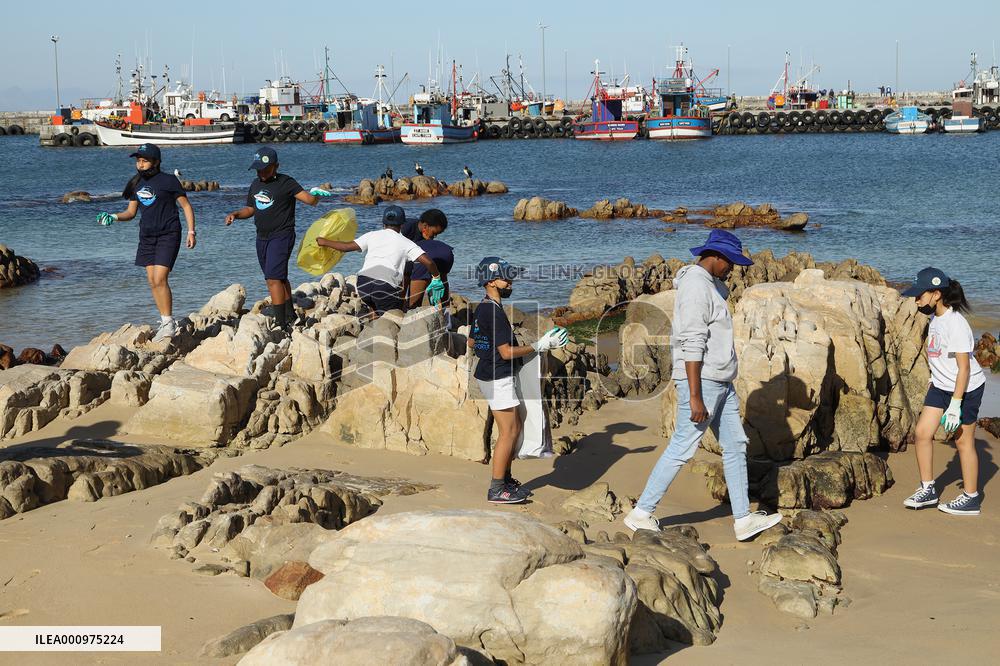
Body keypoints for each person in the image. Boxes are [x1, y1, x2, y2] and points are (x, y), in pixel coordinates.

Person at [624, 230, 783, 541]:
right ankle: (641, 512)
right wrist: (695, 396)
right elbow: (692, 342)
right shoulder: (696, 285)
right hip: (704, 382)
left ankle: (743, 520)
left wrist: (717, 285)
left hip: (720, 381)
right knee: (682, 447)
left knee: (736, 445)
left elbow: (712, 317)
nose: (733, 269)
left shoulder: (707, 285)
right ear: (717, 257)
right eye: (731, 263)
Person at [471, 256, 568, 504]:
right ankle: (497, 488)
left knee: (514, 427)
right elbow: (505, 352)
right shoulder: (494, 312)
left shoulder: (484, 307)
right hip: (497, 376)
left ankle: (506, 480)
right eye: (506, 277)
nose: (511, 281)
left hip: (491, 373)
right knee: (509, 431)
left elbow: (473, 341)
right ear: (491, 281)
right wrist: (539, 345)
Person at [902, 268, 986, 516]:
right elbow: (939, 357)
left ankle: (971, 498)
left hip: (965, 388)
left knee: (963, 441)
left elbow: (964, 369)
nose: (916, 300)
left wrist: (955, 404)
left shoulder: (956, 323)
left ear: (936, 294)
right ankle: (928, 489)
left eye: (920, 295)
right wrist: (933, 379)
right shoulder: (935, 320)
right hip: (940, 385)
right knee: (922, 433)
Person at [224, 147, 332, 332]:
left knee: (273, 278)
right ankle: (290, 315)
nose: (261, 172)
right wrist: (236, 214)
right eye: (258, 169)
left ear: (276, 166)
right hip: (262, 238)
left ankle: (281, 325)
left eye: (265, 169)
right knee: (278, 278)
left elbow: (309, 200)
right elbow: (250, 209)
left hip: (282, 235)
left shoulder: (286, 183)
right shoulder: (255, 185)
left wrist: (316, 195)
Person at [96, 143, 195, 342]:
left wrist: (191, 231)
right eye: (138, 161)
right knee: (152, 281)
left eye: (144, 160)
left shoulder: (169, 181)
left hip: (169, 233)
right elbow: (130, 213)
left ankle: (169, 324)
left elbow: (186, 206)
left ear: (156, 162)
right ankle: (165, 321)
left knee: (160, 279)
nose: (140, 164)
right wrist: (114, 217)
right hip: (147, 237)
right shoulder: (136, 184)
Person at [316, 205, 445, 317]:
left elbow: (345, 247)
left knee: (376, 306)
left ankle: (374, 325)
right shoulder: (406, 242)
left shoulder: (371, 234)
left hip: (362, 285)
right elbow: (428, 262)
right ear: (402, 225)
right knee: (394, 316)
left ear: (383, 223)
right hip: (384, 287)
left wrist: (324, 241)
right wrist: (436, 278)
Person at [406, 209, 454, 309]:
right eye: (434, 233)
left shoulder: (426, 237)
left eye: (437, 235)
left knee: (437, 275)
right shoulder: (406, 227)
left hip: (425, 261)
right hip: (409, 261)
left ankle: (443, 309)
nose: (434, 237)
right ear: (425, 226)